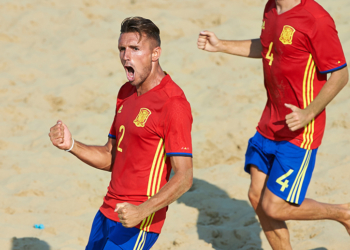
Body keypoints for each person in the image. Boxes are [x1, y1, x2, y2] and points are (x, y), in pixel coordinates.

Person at [197, 0, 349, 249]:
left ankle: (343, 212)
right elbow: (269, 46)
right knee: (257, 196)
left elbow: (341, 74)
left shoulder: (316, 19)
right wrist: (221, 45)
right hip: (269, 122)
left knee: (274, 205)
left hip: (300, 130)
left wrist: (309, 113)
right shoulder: (270, 8)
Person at [49, 17, 193, 250]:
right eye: (122, 49)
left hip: (138, 220)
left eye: (135, 48)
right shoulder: (125, 92)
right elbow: (111, 157)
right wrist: (72, 144)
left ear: (155, 53)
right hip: (107, 211)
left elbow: (184, 177)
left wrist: (141, 211)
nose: (126, 56)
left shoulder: (173, 103)